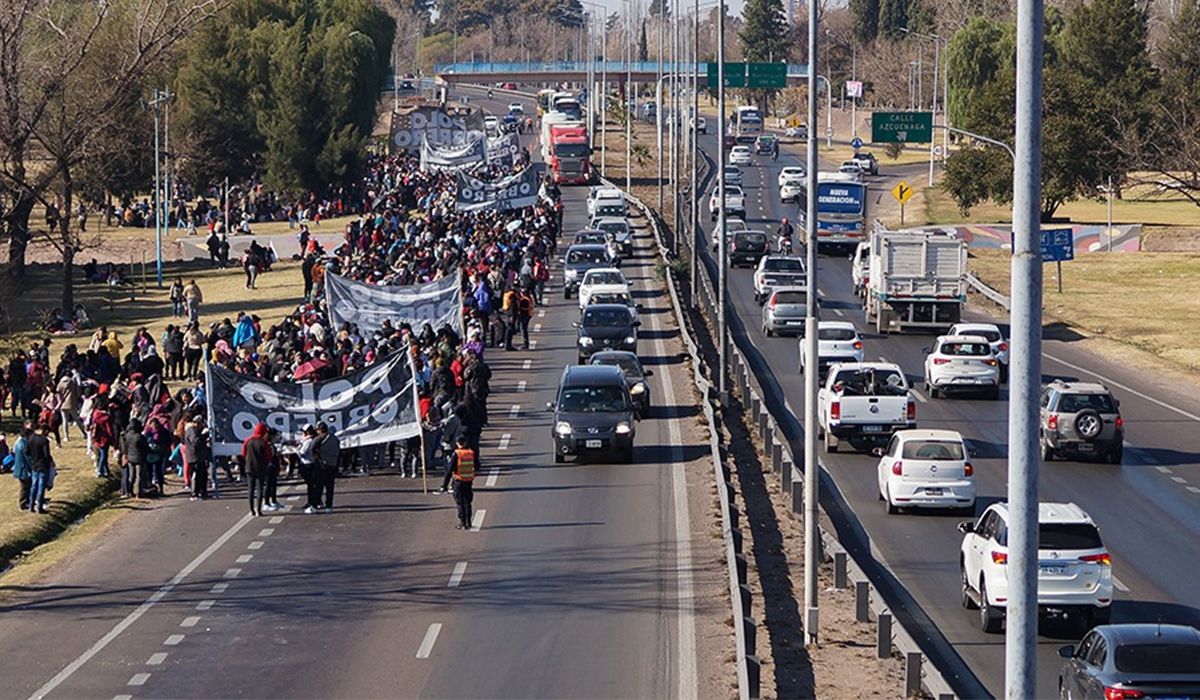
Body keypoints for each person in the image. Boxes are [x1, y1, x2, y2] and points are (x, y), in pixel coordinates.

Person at [242, 422, 272, 517]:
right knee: (259, 489)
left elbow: (243, 453)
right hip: (260, 468)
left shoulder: (247, 440)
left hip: (249, 467)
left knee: (250, 489)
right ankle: (258, 510)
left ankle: (251, 510)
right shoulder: (264, 442)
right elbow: (268, 456)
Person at [449, 435, 476, 529]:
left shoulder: (457, 453)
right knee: (467, 502)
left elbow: (450, 469)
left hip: (458, 480)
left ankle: (462, 522)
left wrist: (444, 484)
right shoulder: (471, 452)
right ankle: (468, 522)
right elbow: (476, 465)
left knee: (460, 503)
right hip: (468, 481)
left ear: (457, 443)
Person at [313, 422, 340, 514]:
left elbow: (312, 448)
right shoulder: (334, 438)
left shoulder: (320, 438)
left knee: (318, 486)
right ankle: (329, 506)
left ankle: (315, 505)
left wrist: (317, 458)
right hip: (332, 464)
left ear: (319, 430)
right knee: (330, 487)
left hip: (322, 465)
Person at [27, 422, 54, 514]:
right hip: (43, 465)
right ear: (44, 431)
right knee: (41, 486)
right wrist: (50, 462)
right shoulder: (44, 440)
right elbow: (46, 454)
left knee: (34, 485)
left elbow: (27, 451)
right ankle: (39, 507)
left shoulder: (31, 437)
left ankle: (31, 506)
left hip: (34, 464)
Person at [183, 413, 210, 500]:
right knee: (196, 475)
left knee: (203, 475)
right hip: (194, 456)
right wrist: (204, 436)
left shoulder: (194, 430)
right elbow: (196, 442)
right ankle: (195, 493)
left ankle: (202, 492)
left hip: (198, 456)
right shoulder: (192, 431)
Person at [122, 418, 148, 498]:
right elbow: (145, 448)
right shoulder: (140, 437)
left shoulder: (127, 436)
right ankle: (138, 492)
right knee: (139, 476)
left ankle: (129, 491)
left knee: (131, 476)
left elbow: (125, 447)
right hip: (139, 458)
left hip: (130, 457)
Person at [89, 396, 116, 478]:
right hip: (104, 438)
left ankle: (105, 470)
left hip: (96, 437)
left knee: (99, 455)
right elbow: (109, 430)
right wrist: (113, 439)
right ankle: (100, 470)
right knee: (104, 455)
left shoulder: (95, 414)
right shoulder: (107, 417)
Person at [298, 424, 321, 513]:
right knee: (311, 484)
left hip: (308, 464)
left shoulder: (309, 441)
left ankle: (312, 502)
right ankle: (312, 501)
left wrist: (296, 450)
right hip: (309, 463)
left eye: (303, 432)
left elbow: (303, 452)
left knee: (311, 485)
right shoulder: (308, 440)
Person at [12, 424, 32, 510]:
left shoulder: (19, 443)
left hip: (19, 468)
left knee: (25, 486)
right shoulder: (24, 444)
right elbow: (28, 458)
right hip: (24, 469)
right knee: (25, 487)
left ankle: (27, 501)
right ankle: (23, 503)